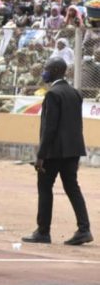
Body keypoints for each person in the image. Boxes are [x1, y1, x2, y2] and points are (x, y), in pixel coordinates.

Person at [22, 57, 93, 246]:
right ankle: (84, 229)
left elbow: (49, 128)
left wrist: (40, 156)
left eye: (46, 68)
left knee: (45, 188)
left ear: (54, 70)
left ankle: (43, 231)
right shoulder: (75, 93)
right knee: (72, 188)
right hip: (73, 150)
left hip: (54, 152)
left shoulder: (52, 94)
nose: (44, 71)